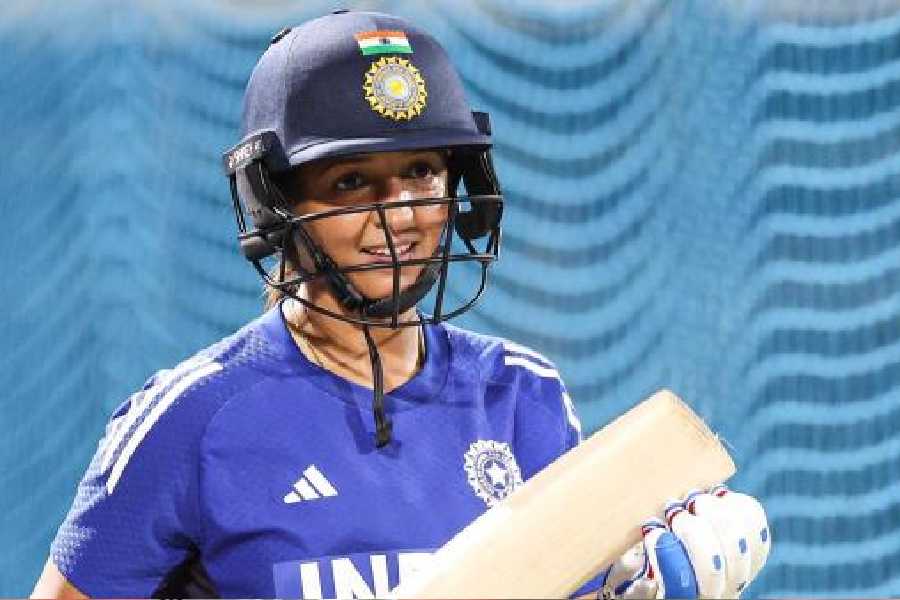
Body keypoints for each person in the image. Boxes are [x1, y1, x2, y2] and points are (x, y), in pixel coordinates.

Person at [32, 10, 769, 599]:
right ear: (275, 203)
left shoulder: (523, 398)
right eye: (353, 182)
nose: (401, 215)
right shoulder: (191, 418)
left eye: (421, 172)